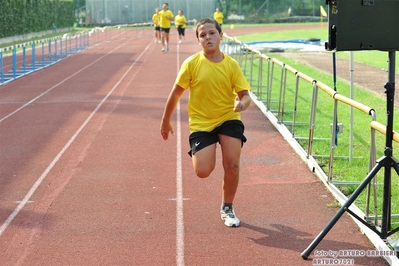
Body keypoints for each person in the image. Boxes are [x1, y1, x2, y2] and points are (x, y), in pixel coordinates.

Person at [160, 17, 251, 227]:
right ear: (198, 40)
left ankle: (227, 207)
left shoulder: (231, 65)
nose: (208, 37)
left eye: (212, 33)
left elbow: (245, 95)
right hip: (202, 123)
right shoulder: (191, 64)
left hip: (228, 117)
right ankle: (208, 152)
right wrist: (165, 121)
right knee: (202, 171)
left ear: (221, 35)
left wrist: (242, 105)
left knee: (233, 165)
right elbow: (175, 94)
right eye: (203, 35)